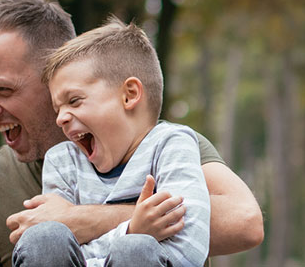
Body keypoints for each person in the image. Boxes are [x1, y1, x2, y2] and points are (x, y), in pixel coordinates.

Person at [0, 0, 262, 267]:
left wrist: (85, 220)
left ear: (56, 76)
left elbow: (246, 223)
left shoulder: (163, 144)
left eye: (2, 90)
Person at [13, 18, 210, 267]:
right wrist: (130, 229)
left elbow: (190, 247)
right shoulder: (63, 161)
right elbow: (59, 250)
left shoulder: (171, 145)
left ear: (129, 95)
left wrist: (127, 239)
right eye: (57, 109)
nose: (61, 119)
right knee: (45, 238)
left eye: (74, 101)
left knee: (135, 249)